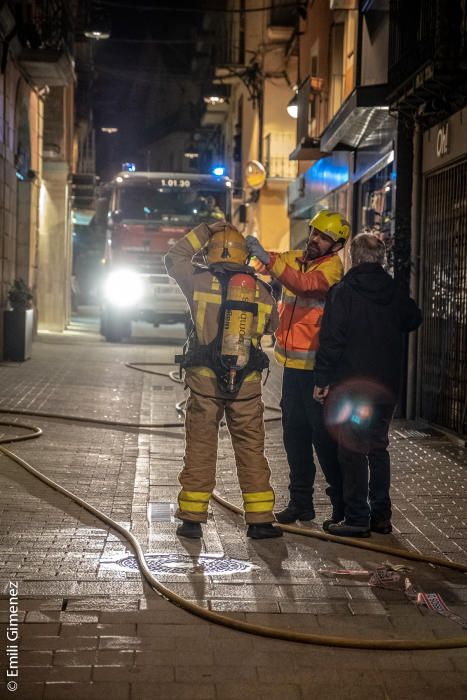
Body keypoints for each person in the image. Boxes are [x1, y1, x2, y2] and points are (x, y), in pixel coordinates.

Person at [165, 220, 282, 540]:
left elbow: (173, 257)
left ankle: (191, 518)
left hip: (204, 381)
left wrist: (206, 229)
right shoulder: (260, 288)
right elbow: (273, 327)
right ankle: (260, 520)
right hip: (246, 382)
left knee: (201, 445)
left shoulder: (197, 279)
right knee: (251, 448)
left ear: (211, 253)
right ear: (244, 256)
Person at [313, 232, 422, 537]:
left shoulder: (343, 292)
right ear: (380, 258)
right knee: (377, 446)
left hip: (353, 388)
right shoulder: (394, 290)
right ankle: (381, 516)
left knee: (353, 448)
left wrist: (322, 380)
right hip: (385, 387)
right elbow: (413, 318)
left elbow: (331, 341)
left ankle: (357, 517)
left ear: (355, 257)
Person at [245, 210, 350, 526]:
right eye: (314, 232)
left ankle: (343, 506)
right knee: (295, 438)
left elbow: (305, 286)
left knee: (324, 440)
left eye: (323, 237)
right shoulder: (296, 258)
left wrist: (271, 262)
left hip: (317, 371)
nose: (315, 240)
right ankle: (301, 503)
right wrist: (255, 256)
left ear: (336, 245)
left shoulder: (332, 269)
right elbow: (268, 263)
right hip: (291, 369)